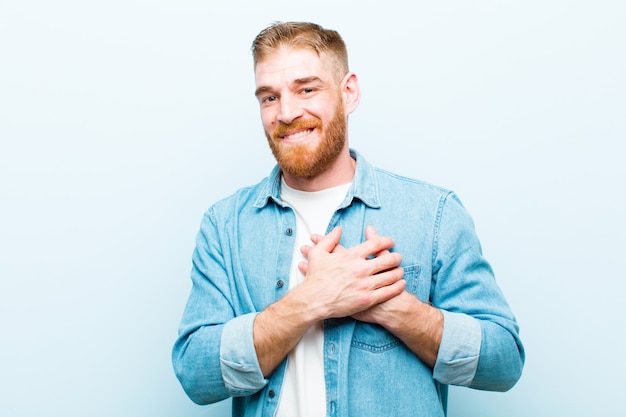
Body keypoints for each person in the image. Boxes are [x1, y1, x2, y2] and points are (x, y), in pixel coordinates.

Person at [172, 21, 524, 417]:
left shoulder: (434, 213)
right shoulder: (225, 226)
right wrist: (311, 299)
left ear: (348, 92)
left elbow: (504, 363)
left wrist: (392, 307)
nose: (287, 113)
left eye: (307, 89)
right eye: (269, 97)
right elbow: (196, 375)